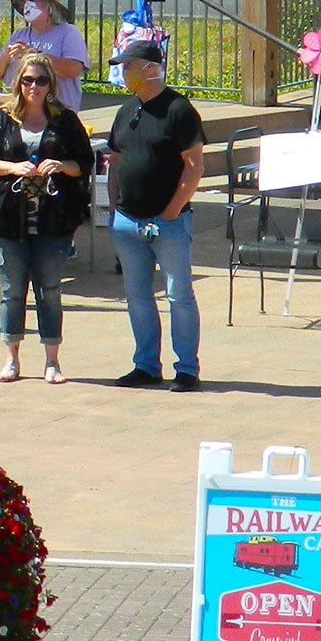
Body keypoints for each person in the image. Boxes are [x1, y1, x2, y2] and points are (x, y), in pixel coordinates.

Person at [0, 51, 95, 385]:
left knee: (49, 289)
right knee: (12, 289)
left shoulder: (64, 120)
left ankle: (52, 361)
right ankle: (11, 359)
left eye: (41, 80)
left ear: (50, 84)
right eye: (27, 80)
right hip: (6, 218)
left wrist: (62, 166)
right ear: (19, 83)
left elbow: (84, 162)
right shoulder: (1, 120)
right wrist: (13, 167)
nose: (34, 87)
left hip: (53, 219)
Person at [107, 39, 205, 392]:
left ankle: (187, 369)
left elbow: (194, 166)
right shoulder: (126, 109)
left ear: (150, 69)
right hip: (128, 221)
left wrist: (171, 211)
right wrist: (114, 202)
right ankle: (146, 365)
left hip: (169, 222)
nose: (124, 72)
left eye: (130, 66)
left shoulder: (178, 110)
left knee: (178, 294)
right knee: (137, 295)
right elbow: (115, 159)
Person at [0, 0, 90, 111]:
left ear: (50, 8)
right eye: (25, 1)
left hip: (55, 114)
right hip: (17, 111)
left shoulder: (68, 32)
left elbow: (72, 69)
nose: (27, 4)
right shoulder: (19, 35)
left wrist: (35, 55)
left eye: (33, 0)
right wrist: (6, 55)